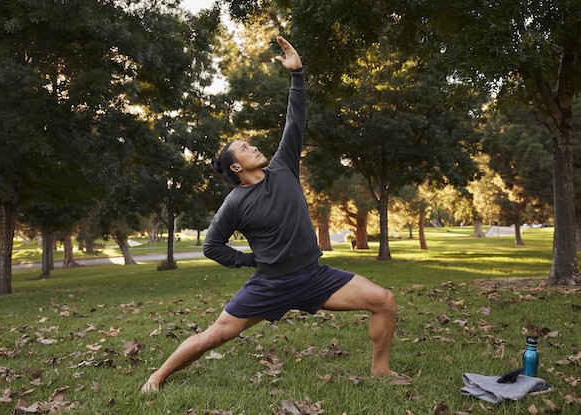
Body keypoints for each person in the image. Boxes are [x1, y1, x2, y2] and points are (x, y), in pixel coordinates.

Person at [141, 36, 399, 393]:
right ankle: (157, 376)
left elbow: (296, 120)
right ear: (235, 165)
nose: (254, 146)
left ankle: (380, 370)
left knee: (383, 301)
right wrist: (248, 262)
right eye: (245, 147)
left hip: (314, 277)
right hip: (270, 286)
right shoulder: (234, 203)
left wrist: (297, 74)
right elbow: (212, 245)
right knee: (216, 335)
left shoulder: (283, 168)